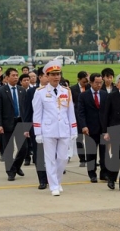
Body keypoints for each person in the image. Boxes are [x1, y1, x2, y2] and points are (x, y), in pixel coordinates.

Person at [32, 61, 77, 196]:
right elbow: (37, 114)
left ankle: (57, 181)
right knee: (50, 159)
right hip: (48, 129)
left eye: (58, 74)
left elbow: (71, 112)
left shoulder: (66, 91)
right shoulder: (40, 92)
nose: (56, 77)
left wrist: (73, 130)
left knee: (63, 158)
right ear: (47, 76)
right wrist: (38, 132)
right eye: (53, 75)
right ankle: (53, 186)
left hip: (63, 129)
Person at [0, 68, 27, 181]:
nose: (16, 77)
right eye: (13, 75)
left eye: (17, 75)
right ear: (7, 77)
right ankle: (10, 172)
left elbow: (25, 108)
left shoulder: (22, 90)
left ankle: (16, 166)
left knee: (24, 148)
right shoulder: (1, 90)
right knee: (9, 149)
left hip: (20, 122)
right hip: (7, 123)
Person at [77, 73, 108, 183]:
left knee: (104, 153)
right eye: (96, 83)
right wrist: (84, 126)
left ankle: (104, 173)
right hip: (90, 128)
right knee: (91, 153)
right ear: (90, 83)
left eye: (101, 83)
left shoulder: (105, 94)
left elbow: (108, 112)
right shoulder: (84, 96)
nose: (99, 85)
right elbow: (80, 112)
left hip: (103, 129)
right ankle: (92, 173)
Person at [24, 67, 49, 190]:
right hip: (37, 128)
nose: (49, 77)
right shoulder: (32, 92)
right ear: (40, 77)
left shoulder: (56, 90)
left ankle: (51, 178)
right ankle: (42, 180)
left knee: (52, 155)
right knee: (39, 155)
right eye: (46, 75)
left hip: (52, 128)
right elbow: (27, 111)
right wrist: (27, 128)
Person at [70, 71, 90, 167]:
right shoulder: (72, 89)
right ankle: (82, 159)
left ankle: (91, 158)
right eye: (83, 82)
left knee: (90, 139)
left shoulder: (90, 87)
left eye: (86, 82)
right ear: (78, 80)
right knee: (79, 139)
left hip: (89, 116)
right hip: (77, 117)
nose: (85, 84)